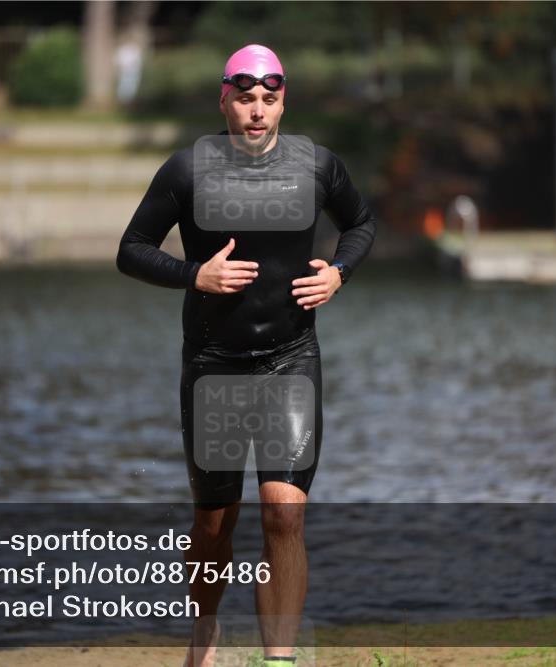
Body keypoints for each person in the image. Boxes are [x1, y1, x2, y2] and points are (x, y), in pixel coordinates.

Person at [117, 44, 377, 667]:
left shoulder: (317, 166)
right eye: (245, 98)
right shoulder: (188, 171)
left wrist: (338, 271)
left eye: (269, 98)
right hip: (213, 364)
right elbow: (131, 249)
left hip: (292, 358)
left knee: (284, 516)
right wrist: (193, 276)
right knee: (215, 525)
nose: (258, 112)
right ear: (225, 100)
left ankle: (279, 660)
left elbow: (362, 224)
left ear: (282, 100)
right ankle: (203, 639)